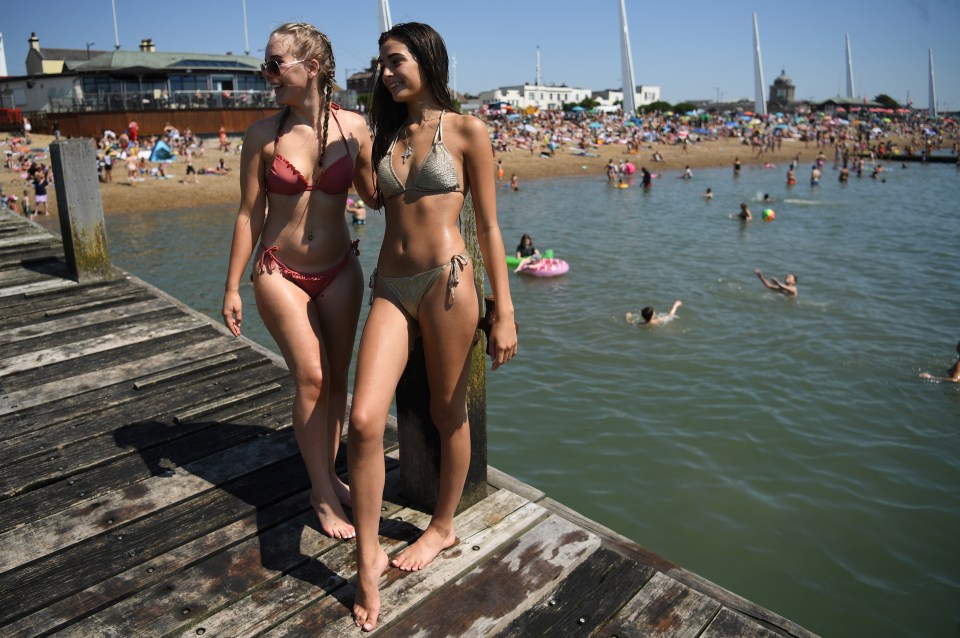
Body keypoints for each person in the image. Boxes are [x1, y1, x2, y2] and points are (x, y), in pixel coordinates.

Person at [349, 22, 517, 632]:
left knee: (449, 414)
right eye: (381, 65)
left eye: (396, 61)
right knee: (366, 418)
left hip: (449, 285)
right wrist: (357, 146)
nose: (386, 72)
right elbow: (373, 199)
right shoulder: (386, 133)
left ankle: (442, 527)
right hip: (391, 287)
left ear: (427, 59)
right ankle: (368, 558)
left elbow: (491, 227)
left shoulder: (467, 129)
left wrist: (506, 310)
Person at [221, 22, 377, 541]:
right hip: (279, 271)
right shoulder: (263, 135)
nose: (266, 74)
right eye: (266, 64)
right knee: (310, 377)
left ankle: (329, 476)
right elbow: (248, 214)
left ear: (311, 68)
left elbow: (377, 196)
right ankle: (321, 494)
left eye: (273, 63)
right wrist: (232, 286)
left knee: (337, 380)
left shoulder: (355, 128)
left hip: (340, 271)